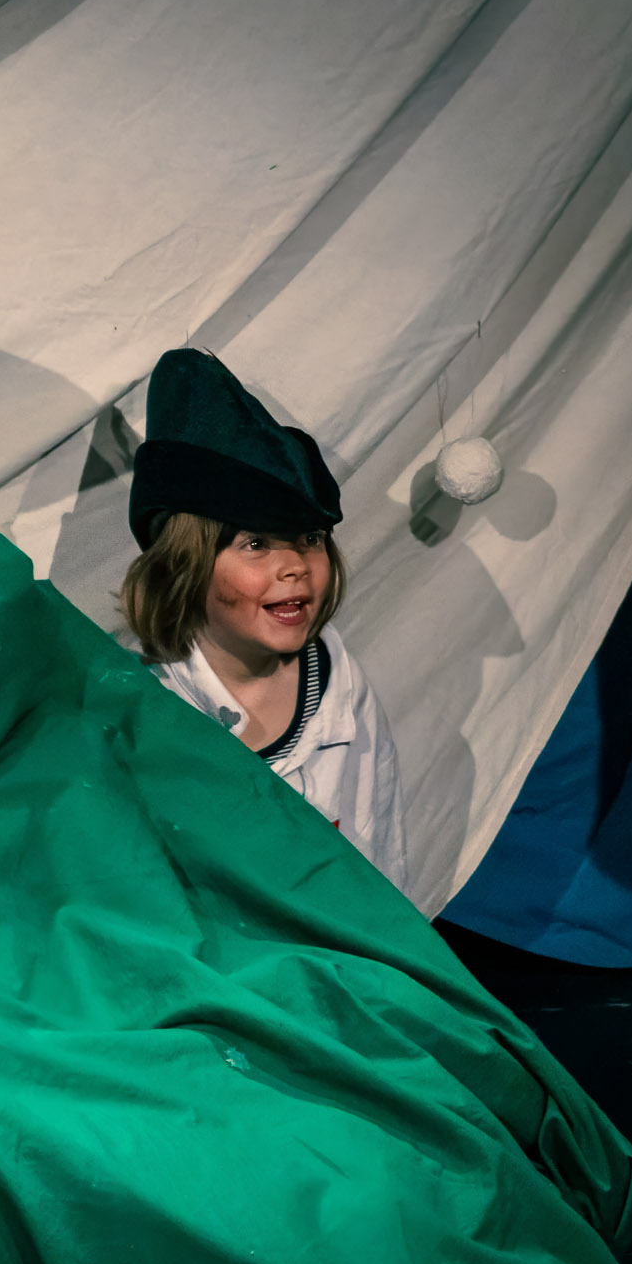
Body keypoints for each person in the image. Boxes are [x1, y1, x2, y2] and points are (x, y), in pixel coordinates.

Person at [119, 348, 408, 891]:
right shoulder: (142, 714)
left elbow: (379, 856)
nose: (295, 565)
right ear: (183, 565)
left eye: (310, 538)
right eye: (255, 543)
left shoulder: (343, 691)